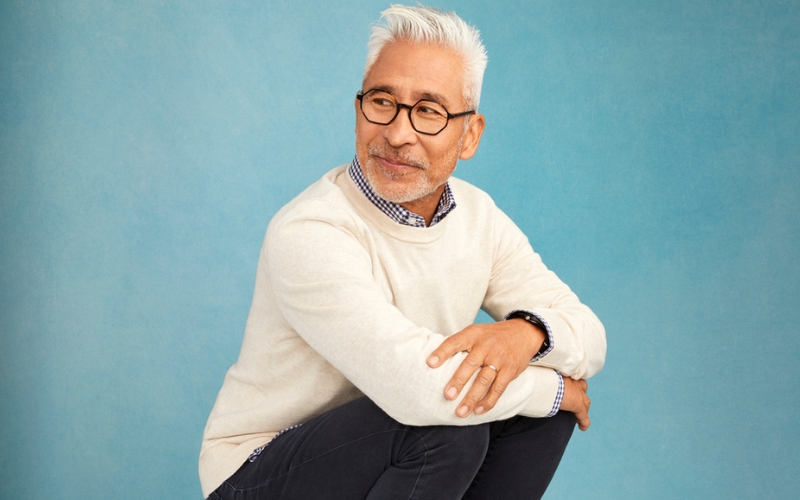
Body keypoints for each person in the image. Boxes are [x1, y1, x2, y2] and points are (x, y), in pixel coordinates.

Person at [200, 5, 606, 499]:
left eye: (429, 111)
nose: (396, 133)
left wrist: (527, 333)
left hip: (384, 454)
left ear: (470, 134)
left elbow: (585, 333)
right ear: (358, 109)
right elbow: (416, 390)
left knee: (531, 416)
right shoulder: (310, 229)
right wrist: (556, 391)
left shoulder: (479, 217)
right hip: (255, 474)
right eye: (382, 101)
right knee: (450, 424)